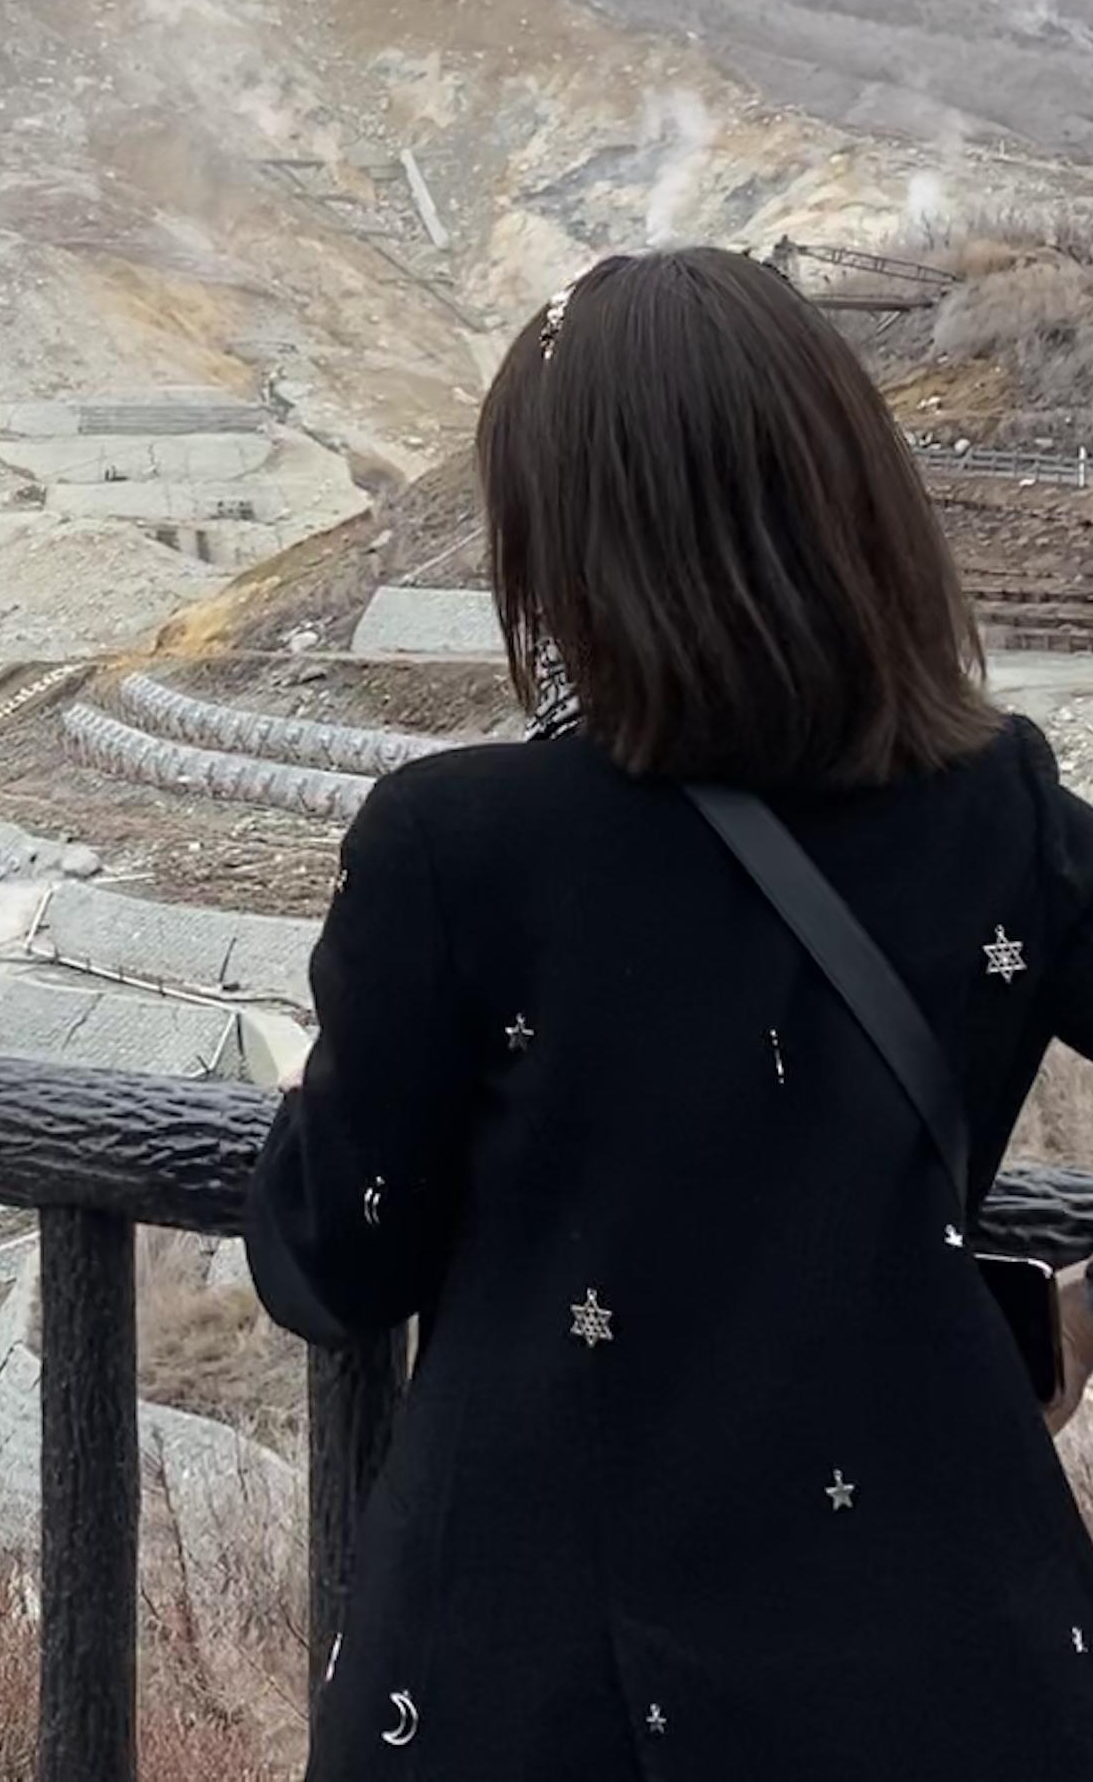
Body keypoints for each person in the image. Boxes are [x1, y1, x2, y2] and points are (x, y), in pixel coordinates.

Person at [250, 246, 1093, 1779]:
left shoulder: (456, 846)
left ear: (567, 557)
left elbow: (340, 1252)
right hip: (943, 1668)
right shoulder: (1004, 812)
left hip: (546, 1684)